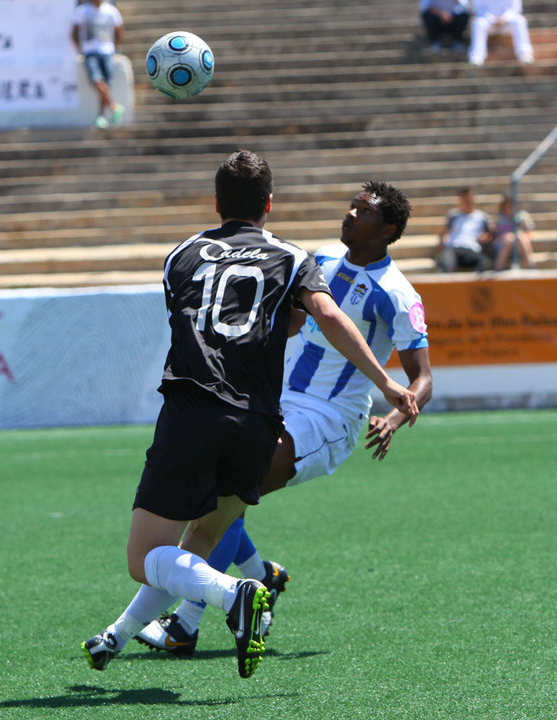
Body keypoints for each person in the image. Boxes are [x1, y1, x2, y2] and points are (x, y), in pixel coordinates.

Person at [81, 151, 420, 680]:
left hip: (321, 419)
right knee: (213, 516)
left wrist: (391, 397)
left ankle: (212, 604)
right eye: (351, 205)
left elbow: (420, 371)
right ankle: (137, 628)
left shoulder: (396, 292)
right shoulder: (310, 257)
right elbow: (293, 321)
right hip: (265, 408)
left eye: (364, 209)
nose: (352, 213)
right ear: (268, 203)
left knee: (184, 532)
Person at [71, 0, 125, 129]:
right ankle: (113, 106)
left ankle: (101, 117)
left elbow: (119, 32)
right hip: (90, 51)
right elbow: (74, 33)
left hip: (107, 52)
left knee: (105, 84)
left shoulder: (111, 10)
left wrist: (114, 48)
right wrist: (80, 49)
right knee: (96, 80)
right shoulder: (82, 11)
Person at [436, 187, 494, 273]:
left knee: (484, 263)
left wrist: (486, 237)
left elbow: (491, 233)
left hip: (472, 249)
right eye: (465, 200)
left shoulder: (482, 216)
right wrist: (441, 246)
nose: (468, 203)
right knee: (446, 263)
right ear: (460, 201)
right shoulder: (453, 215)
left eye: (470, 200)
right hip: (453, 248)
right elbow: (444, 232)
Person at [467, 0, 534, 66]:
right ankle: (477, 56)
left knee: (519, 21)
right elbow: (478, 9)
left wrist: (504, 18)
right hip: (488, 23)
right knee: (479, 23)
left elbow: (515, 8)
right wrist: (492, 19)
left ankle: (525, 53)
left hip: (507, 23)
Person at [491, 193, 536, 270]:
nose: (510, 208)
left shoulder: (522, 216)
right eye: (508, 205)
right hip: (502, 245)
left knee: (519, 236)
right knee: (509, 238)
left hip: (519, 244)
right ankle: (498, 267)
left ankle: (530, 265)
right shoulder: (500, 217)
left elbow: (528, 232)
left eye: (512, 205)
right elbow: (495, 234)